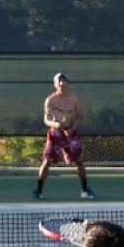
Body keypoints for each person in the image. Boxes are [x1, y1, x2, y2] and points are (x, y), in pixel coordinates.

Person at [32, 72, 94, 200]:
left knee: (79, 161)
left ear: (68, 83)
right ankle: (38, 190)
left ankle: (85, 190)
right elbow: (46, 119)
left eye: (64, 80)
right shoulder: (50, 100)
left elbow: (80, 117)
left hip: (71, 133)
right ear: (55, 84)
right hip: (55, 134)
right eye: (59, 81)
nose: (62, 83)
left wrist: (72, 129)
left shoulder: (74, 100)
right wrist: (54, 124)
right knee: (47, 161)